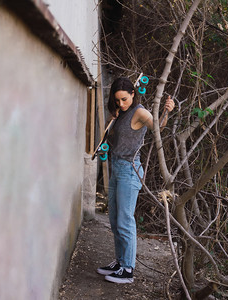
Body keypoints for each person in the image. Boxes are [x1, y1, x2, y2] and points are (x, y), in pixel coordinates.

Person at [96, 77, 174, 284]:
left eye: (124, 99)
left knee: (125, 221)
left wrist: (167, 111)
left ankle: (128, 270)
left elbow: (159, 127)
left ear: (132, 94)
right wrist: (113, 116)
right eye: (117, 100)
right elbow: (108, 136)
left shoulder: (139, 111)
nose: (121, 103)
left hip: (130, 170)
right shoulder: (120, 112)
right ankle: (120, 261)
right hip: (116, 167)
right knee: (114, 219)